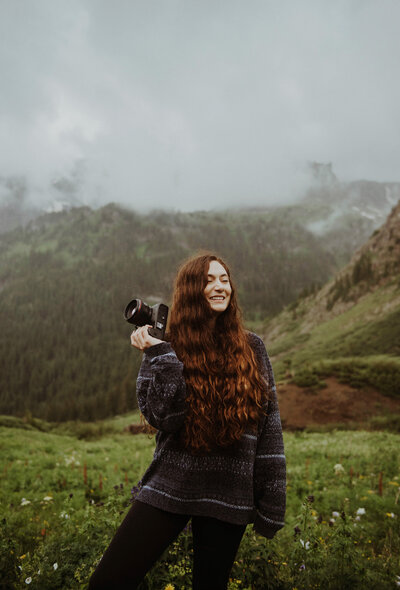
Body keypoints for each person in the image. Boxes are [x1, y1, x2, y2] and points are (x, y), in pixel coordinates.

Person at [89, 253, 286, 590]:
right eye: (209, 280)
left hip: (229, 493)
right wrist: (161, 357)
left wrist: (271, 503)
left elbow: (269, 428)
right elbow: (165, 418)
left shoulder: (253, 347)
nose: (220, 286)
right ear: (190, 290)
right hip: (171, 484)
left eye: (224, 279)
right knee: (108, 582)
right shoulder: (165, 344)